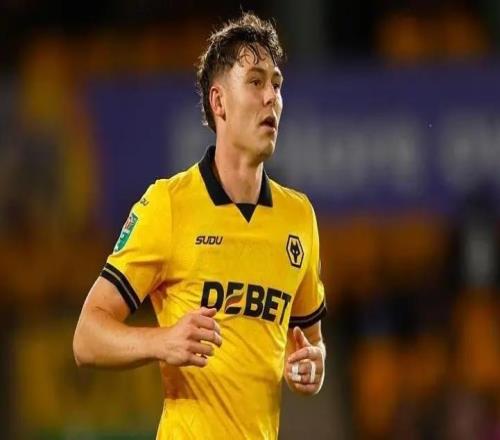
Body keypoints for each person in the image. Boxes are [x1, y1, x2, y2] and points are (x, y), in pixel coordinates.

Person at [73, 12, 327, 439]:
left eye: (277, 84)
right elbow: (86, 338)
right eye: (256, 82)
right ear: (219, 102)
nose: (272, 97)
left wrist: (311, 364)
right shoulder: (169, 205)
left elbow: (309, 341)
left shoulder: (298, 217)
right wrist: (162, 341)